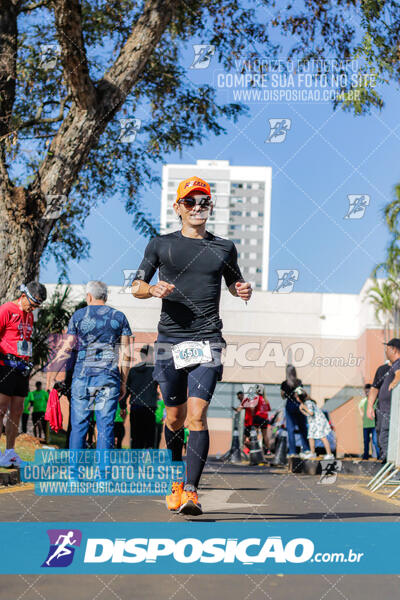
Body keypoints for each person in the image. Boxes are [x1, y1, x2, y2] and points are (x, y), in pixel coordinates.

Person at [131, 175, 252, 515]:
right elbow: (137, 285)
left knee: (197, 416)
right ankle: (175, 481)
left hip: (208, 341)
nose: (198, 208)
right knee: (173, 419)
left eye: (204, 203)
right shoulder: (160, 244)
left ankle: (192, 492)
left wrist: (241, 290)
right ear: (178, 208)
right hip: (170, 341)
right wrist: (151, 290)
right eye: (191, 202)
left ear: (209, 208)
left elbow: (234, 281)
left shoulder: (224, 247)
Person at [51, 281, 132, 451]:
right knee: (105, 427)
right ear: (106, 296)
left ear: (89, 296)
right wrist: (123, 382)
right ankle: (104, 476)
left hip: (82, 376)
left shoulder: (79, 316)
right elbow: (126, 354)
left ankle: (74, 475)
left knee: (79, 426)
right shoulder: (119, 317)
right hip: (108, 377)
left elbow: (67, 348)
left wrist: (53, 374)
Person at [0, 281, 47, 467]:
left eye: (37, 306)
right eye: (33, 303)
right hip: (5, 365)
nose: (34, 308)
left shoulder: (29, 316)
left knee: (17, 411)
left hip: (22, 368)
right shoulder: (7, 309)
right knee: (1, 408)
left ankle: (9, 452)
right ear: (24, 295)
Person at [367, 340, 400, 462]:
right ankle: (387, 465)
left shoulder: (398, 364)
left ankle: (392, 469)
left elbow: (399, 374)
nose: (385, 351)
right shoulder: (382, 369)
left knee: (388, 439)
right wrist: (370, 406)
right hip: (381, 411)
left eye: (387, 348)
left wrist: (394, 382)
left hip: (392, 411)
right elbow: (374, 389)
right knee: (381, 438)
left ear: (394, 349)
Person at [123, 344, 158, 449]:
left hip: (135, 408)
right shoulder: (154, 371)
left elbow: (126, 391)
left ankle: (135, 463)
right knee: (149, 438)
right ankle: (147, 462)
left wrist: (123, 406)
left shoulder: (133, 371)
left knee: (136, 437)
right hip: (149, 408)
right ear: (149, 355)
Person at [280, 364, 310, 458]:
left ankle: (292, 452)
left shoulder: (284, 384)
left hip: (289, 405)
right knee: (303, 428)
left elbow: (282, 396)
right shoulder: (299, 382)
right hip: (299, 404)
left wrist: (287, 393)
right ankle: (306, 449)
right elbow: (301, 393)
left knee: (290, 429)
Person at [296, 387, 334, 459]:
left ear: (300, 397)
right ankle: (312, 453)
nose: (296, 399)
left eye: (297, 397)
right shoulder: (306, 403)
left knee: (322, 437)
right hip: (313, 422)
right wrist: (302, 410)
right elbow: (308, 415)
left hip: (318, 422)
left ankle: (330, 454)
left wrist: (304, 408)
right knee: (311, 437)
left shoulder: (308, 403)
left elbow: (311, 413)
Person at [359, 383, 380, 460]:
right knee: (366, 441)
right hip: (366, 425)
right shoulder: (363, 401)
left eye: (368, 391)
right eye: (366, 392)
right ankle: (365, 456)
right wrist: (362, 415)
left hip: (374, 424)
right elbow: (360, 408)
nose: (367, 393)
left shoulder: (375, 400)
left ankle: (379, 456)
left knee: (375, 441)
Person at [252, 384, 272, 455]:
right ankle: (268, 451)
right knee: (265, 435)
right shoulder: (266, 400)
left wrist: (252, 415)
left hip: (258, 417)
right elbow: (269, 409)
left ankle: (254, 449)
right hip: (265, 418)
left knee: (255, 434)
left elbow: (253, 408)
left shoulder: (256, 398)